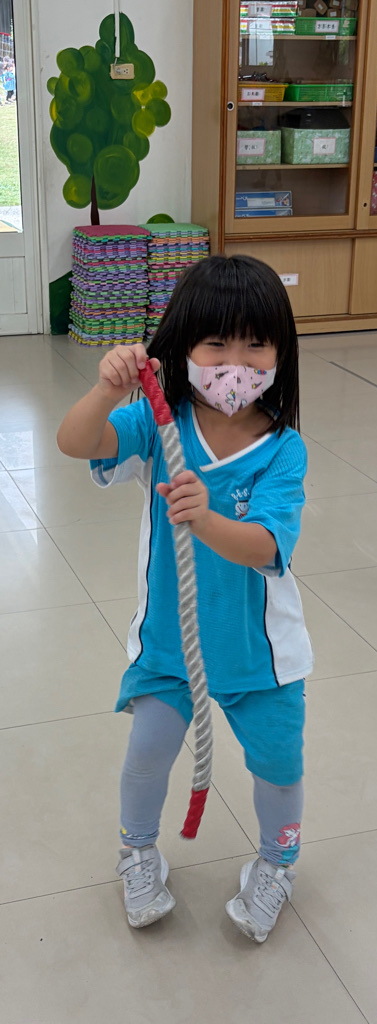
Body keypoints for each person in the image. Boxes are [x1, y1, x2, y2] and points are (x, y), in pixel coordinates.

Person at [57, 254, 313, 940]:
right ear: (183, 349)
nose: (236, 365)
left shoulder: (283, 450)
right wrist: (106, 392)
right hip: (171, 645)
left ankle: (277, 862)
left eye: (256, 345)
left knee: (278, 765)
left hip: (261, 655)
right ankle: (138, 852)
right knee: (146, 754)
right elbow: (74, 442)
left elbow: (266, 547)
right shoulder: (157, 424)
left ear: (281, 354)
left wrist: (206, 518)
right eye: (216, 344)